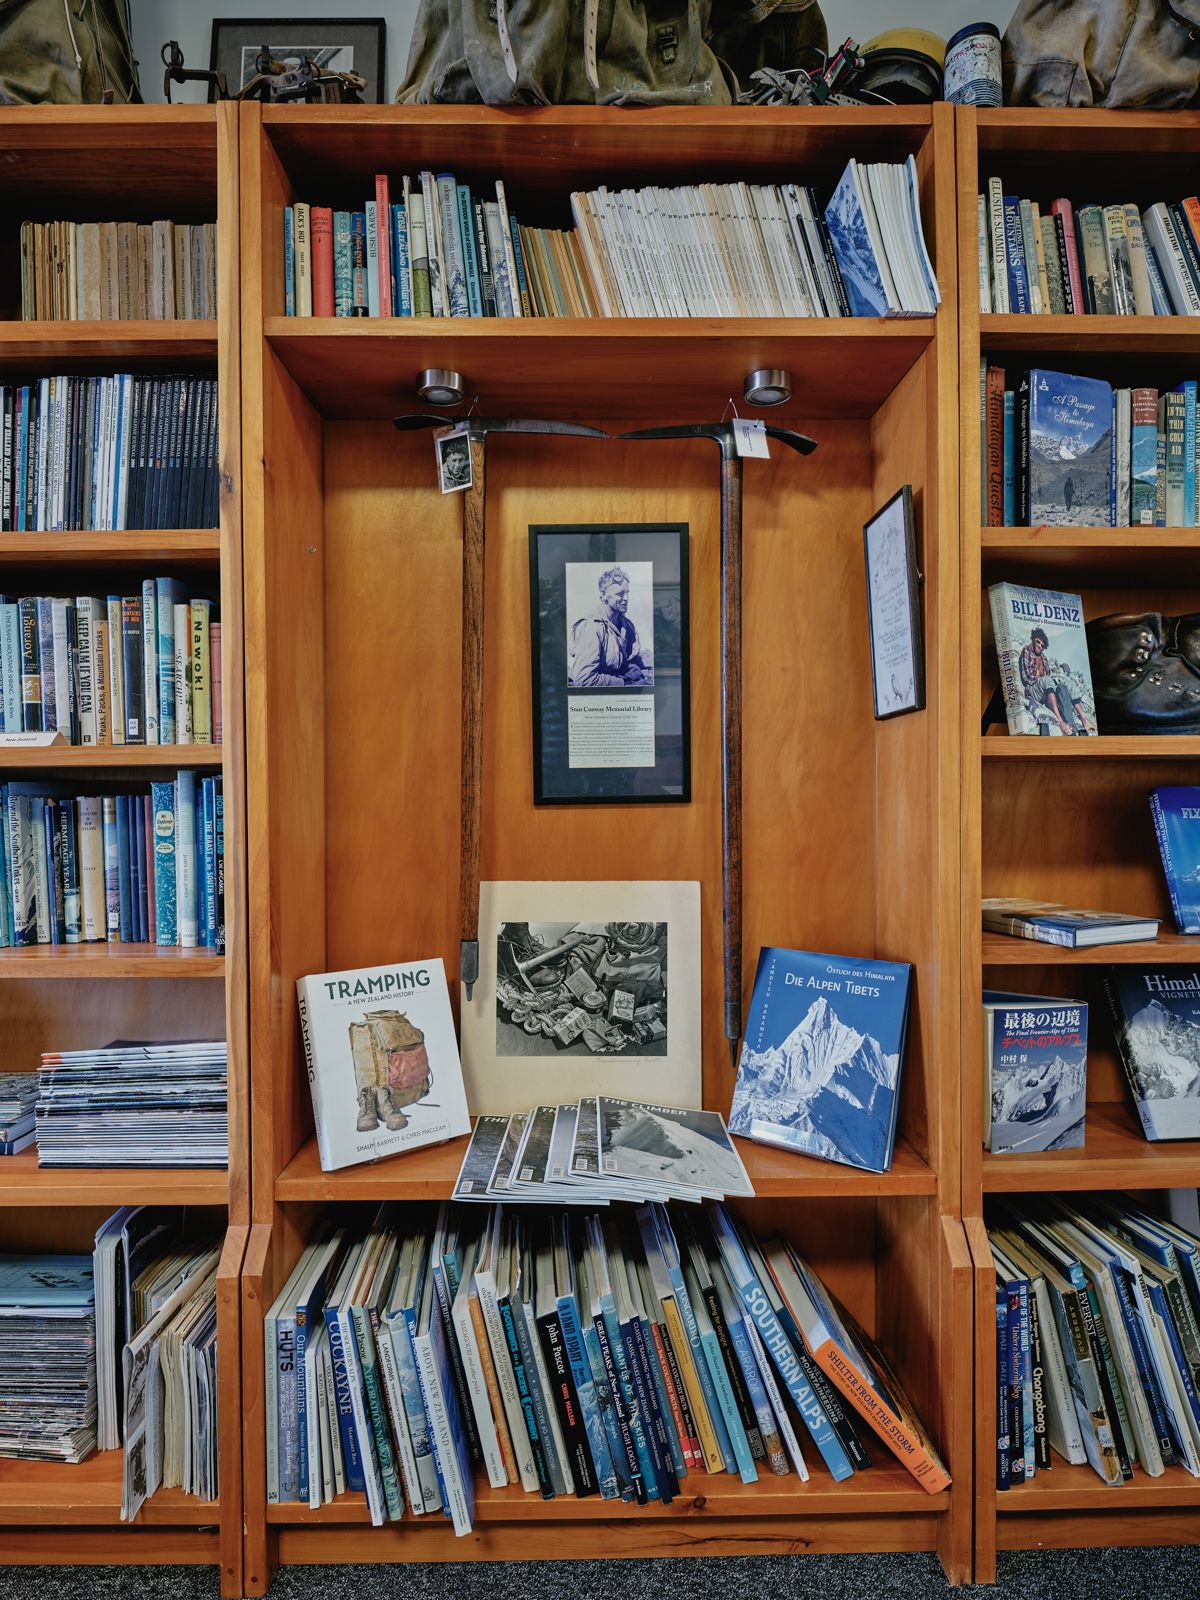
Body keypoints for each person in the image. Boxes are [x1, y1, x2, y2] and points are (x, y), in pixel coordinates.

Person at [568, 566, 652, 687]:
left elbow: (631, 661)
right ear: (603, 595)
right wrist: (625, 683)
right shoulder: (592, 627)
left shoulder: (626, 625)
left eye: (627, 593)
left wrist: (638, 672)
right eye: (620, 594)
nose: (626, 598)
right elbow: (583, 680)